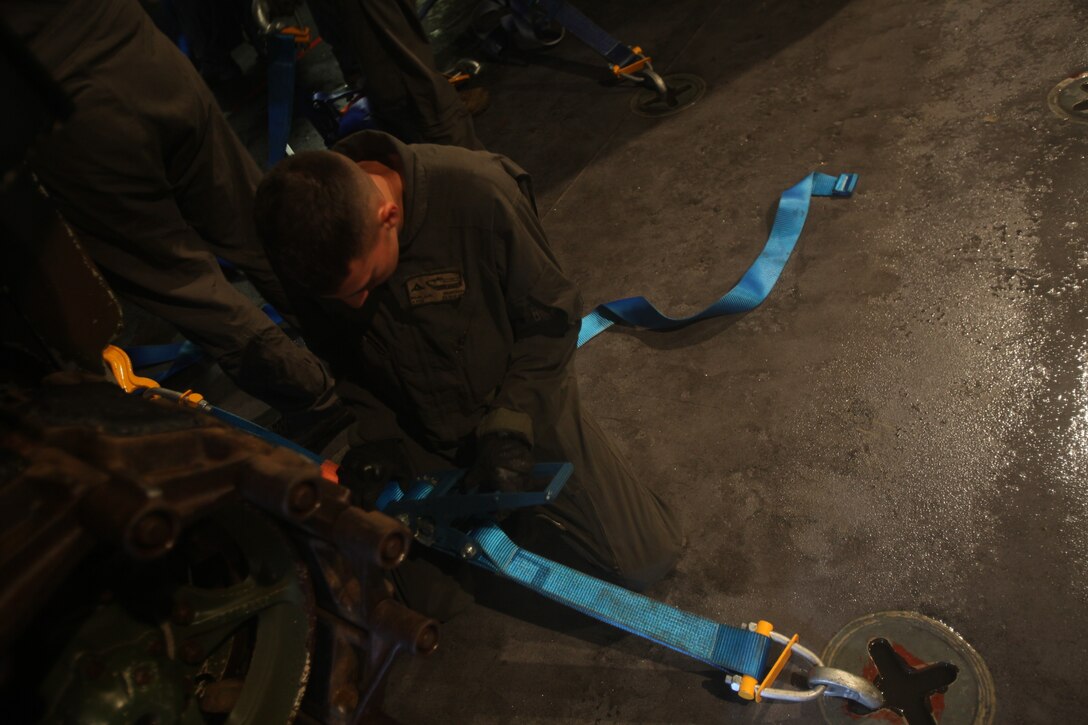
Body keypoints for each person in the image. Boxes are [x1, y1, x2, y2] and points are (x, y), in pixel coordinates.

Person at [253, 130, 683, 613]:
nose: (356, 304)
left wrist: (513, 426)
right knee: (434, 601)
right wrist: (378, 438)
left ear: (388, 216)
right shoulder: (306, 244)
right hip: (416, 425)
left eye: (368, 282)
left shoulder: (478, 194)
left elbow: (550, 323)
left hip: (516, 402)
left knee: (647, 559)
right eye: (341, 298)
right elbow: (346, 360)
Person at [5, 0, 351, 449]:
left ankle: (314, 399)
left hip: (74, 115)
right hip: (144, 56)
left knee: (183, 281)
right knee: (258, 226)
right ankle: (360, 349)